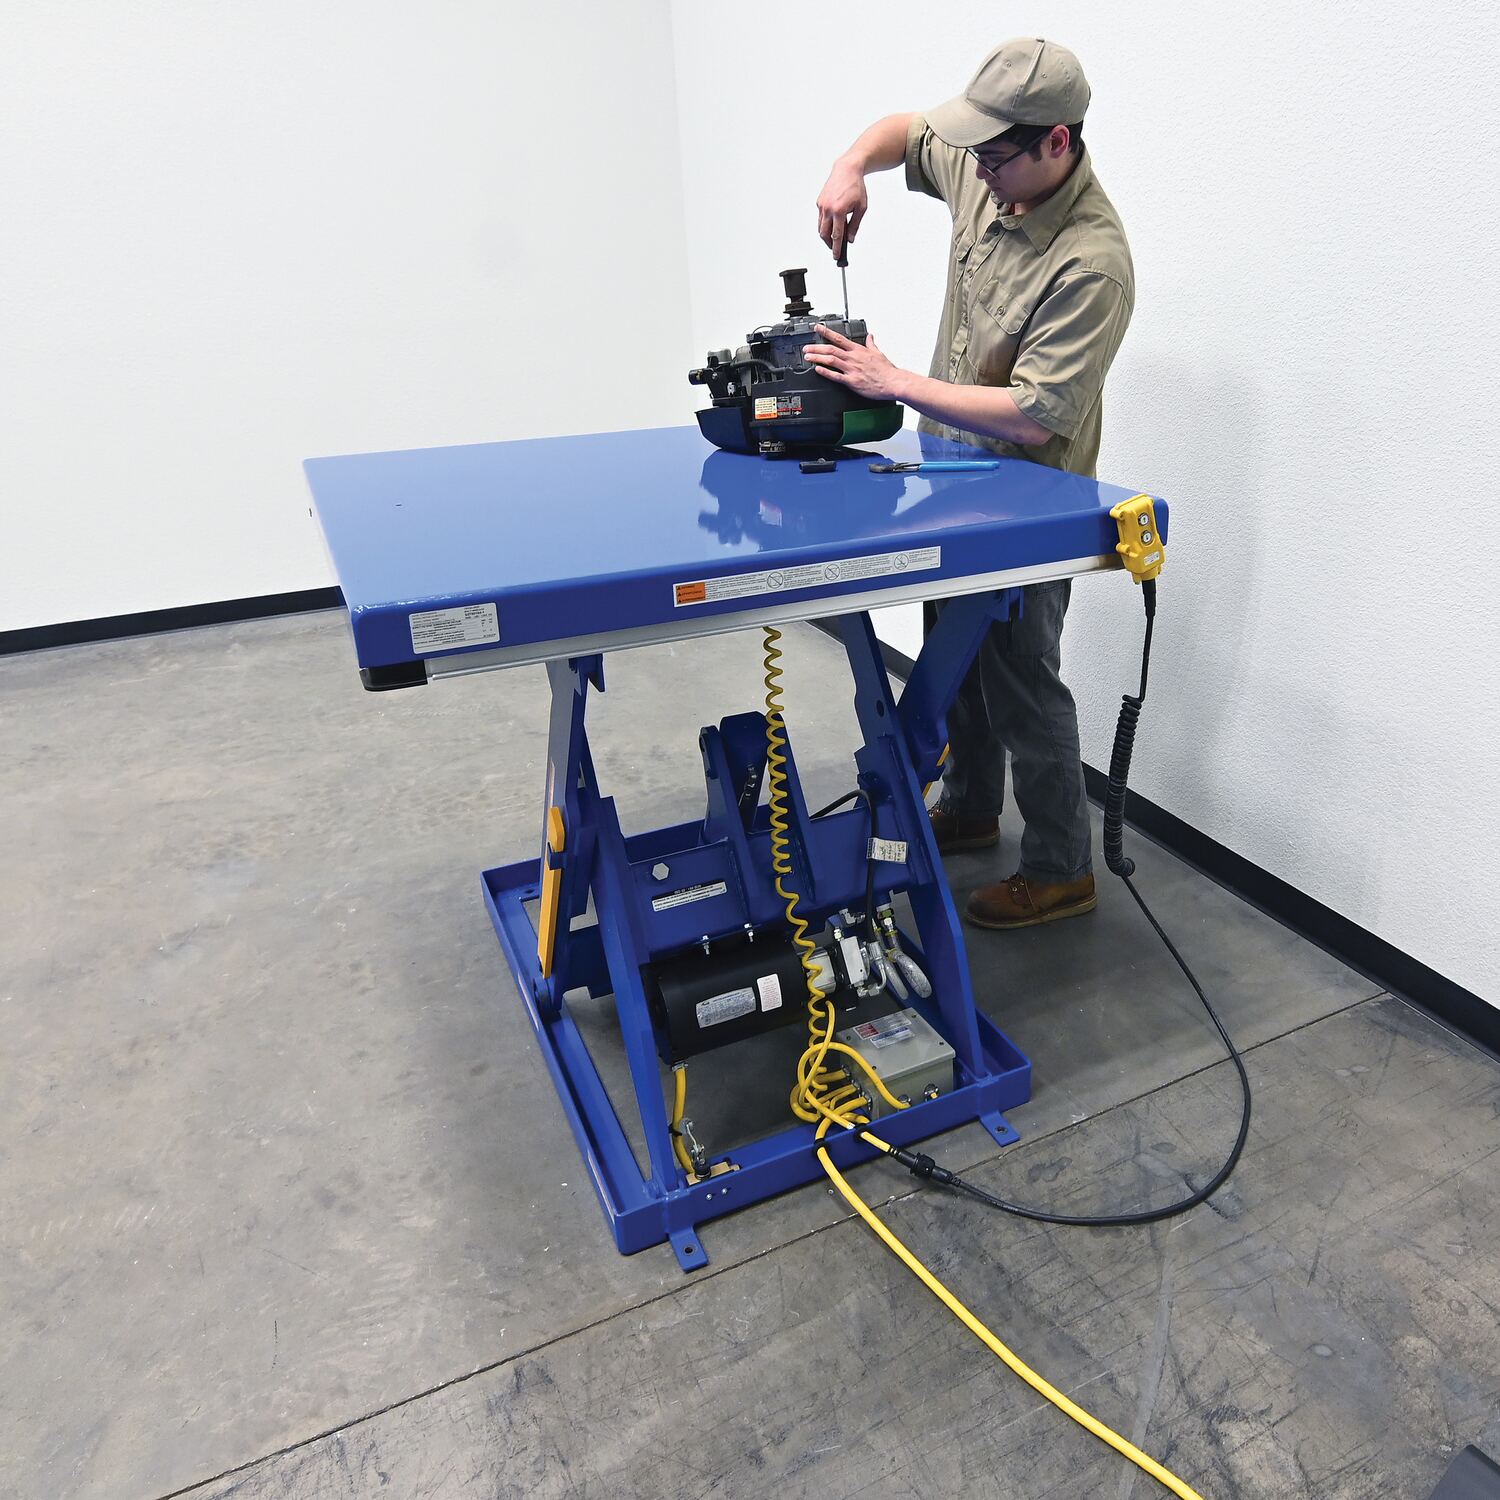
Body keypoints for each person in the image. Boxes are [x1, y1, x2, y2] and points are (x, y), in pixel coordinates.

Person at [806, 37, 1134, 931]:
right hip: (948, 479)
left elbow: (1033, 416)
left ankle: (1062, 869)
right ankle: (972, 805)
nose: (977, 171)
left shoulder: (1091, 262)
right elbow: (906, 132)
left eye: (996, 157)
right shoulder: (992, 157)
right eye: (974, 152)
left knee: (1022, 681)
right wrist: (849, 166)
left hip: (1028, 500)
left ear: (1057, 142)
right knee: (955, 660)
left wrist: (893, 381)